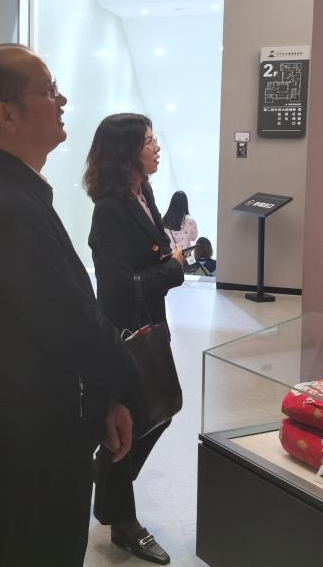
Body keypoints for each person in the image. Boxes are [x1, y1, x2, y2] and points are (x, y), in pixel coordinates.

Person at [0, 44, 137, 567]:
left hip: (38, 421)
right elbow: (68, 320)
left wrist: (107, 393)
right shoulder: (5, 203)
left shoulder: (13, 190)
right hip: (33, 435)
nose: (62, 100)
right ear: (7, 115)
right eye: (48, 90)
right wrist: (127, 381)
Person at [84, 113, 186, 565]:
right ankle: (122, 522)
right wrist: (174, 269)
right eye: (148, 141)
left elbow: (151, 252)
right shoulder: (109, 209)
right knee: (133, 421)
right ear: (126, 152)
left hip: (150, 325)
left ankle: (107, 483)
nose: (156, 147)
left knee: (159, 411)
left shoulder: (142, 190)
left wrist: (168, 257)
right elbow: (120, 287)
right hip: (123, 330)